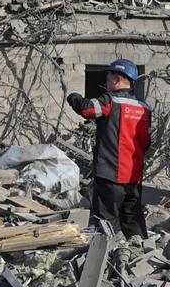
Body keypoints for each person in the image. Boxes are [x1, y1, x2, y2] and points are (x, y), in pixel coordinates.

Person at [65, 59, 151, 239]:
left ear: (118, 79)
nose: (106, 83)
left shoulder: (110, 101)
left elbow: (87, 110)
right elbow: (147, 142)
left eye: (108, 78)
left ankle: (109, 260)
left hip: (110, 175)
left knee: (106, 223)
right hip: (134, 178)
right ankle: (142, 257)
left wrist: (74, 97)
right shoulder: (144, 108)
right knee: (133, 220)